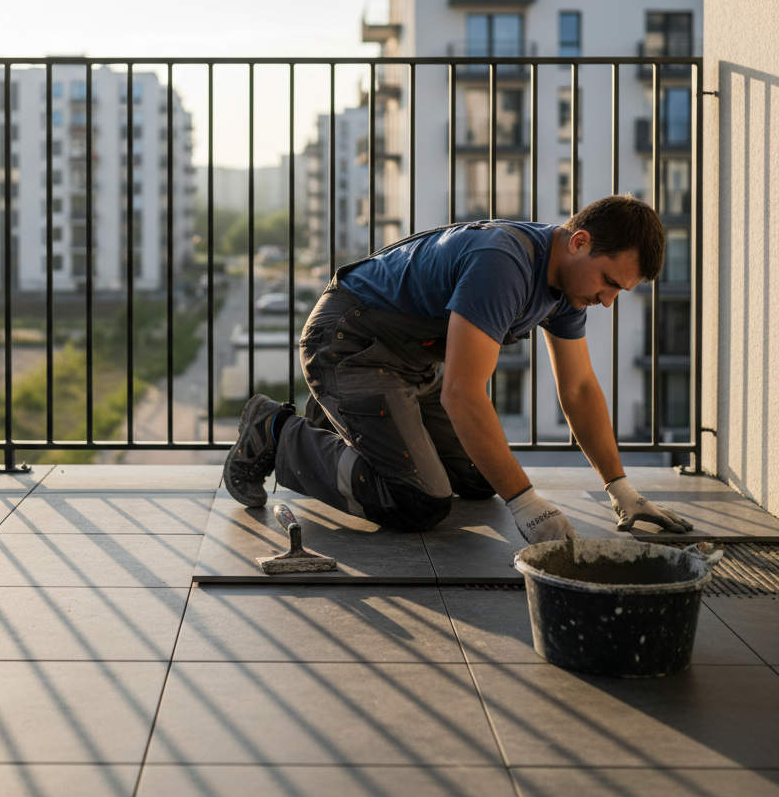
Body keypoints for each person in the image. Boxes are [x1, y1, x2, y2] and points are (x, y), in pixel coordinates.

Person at [223, 194, 693, 543]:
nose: (607, 301)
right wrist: (527, 505)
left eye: (620, 293)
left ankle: (349, 419)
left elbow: (579, 389)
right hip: (350, 344)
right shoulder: (503, 263)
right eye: (610, 283)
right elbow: (463, 394)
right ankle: (276, 430)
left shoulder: (567, 288)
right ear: (580, 242)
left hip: (412, 365)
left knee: (480, 480)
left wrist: (620, 488)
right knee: (420, 502)